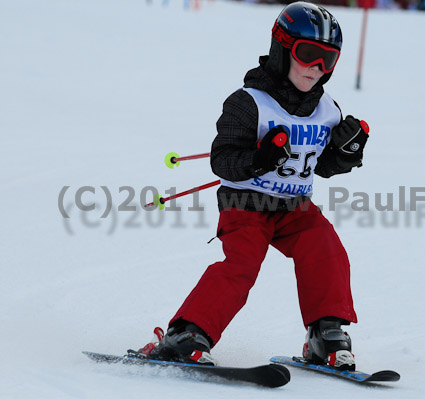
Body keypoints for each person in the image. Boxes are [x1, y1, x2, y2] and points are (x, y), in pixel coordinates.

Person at [145, 1, 369, 371]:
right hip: (246, 205)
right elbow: (222, 160)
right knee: (242, 266)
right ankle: (187, 333)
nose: (317, 68)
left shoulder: (327, 108)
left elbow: (323, 165)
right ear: (282, 49)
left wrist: (347, 153)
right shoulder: (248, 103)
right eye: (308, 54)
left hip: (295, 208)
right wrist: (258, 160)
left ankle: (325, 333)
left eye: (328, 60)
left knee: (325, 249)